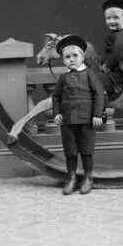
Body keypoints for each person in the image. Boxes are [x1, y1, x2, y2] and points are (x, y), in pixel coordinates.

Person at [52, 35, 104, 195]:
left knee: (86, 149)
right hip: (67, 121)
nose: (72, 60)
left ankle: (88, 177)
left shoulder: (89, 74)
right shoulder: (63, 78)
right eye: (67, 57)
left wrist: (97, 115)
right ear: (63, 60)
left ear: (83, 57)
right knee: (71, 150)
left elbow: (99, 94)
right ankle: (72, 177)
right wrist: (56, 114)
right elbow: (56, 97)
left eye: (75, 56)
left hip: (86, 120)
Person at [98, 0, 123, 100]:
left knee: (97, 82)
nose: (112, 21)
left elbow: (116, 53)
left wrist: (106, 66)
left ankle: (101, 104)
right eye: (108, 18)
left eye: (116, 18)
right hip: (116, 69)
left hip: (120, 70)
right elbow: (109, 54)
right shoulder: (118, 34)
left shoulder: (122, 35)